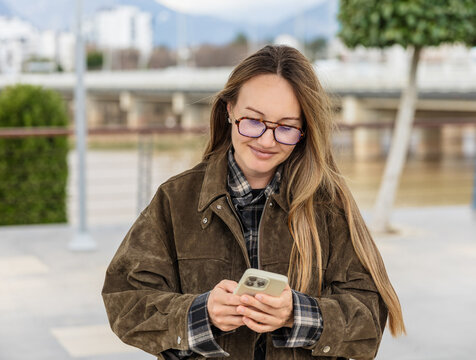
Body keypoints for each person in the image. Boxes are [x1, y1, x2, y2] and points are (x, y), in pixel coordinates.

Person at [102, 45, 405, 360]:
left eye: (286, 127)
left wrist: (296, 315)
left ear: (304, 130)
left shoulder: (328, 204)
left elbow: (370, 318)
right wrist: (199, 313)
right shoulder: (175, 199)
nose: (266, 140)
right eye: (253, 120)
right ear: (229, 110)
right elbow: (124, 300)